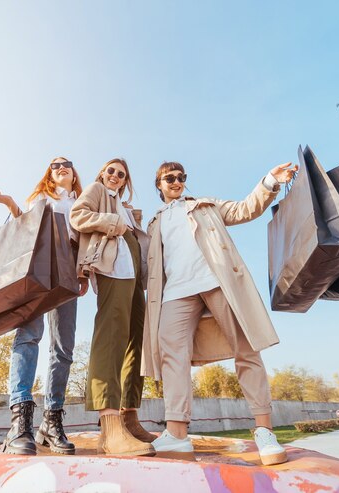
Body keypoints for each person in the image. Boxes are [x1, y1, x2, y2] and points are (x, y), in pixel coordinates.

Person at [141, 160, 297, 465]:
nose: (176, 182)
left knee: (246, 347)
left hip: (218, 281)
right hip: (174, 293)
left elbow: (245, 209)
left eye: (181, 177)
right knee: (171, 354)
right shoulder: (155, 222)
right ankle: (176, 433)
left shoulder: (206, 205)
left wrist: (269, 181)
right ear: (159, 185)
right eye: (169, 178)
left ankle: (264, 431)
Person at [0, 157, 88, 456]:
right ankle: (20, 422)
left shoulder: (81, 202)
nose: (61, 167)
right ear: (49, 174)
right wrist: (8, 203)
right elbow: (23, 228)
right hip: (39, 266)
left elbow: (84, 241)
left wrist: (84, 274)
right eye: (54, 165)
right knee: (29, 335)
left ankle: (52, 421)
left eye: (66, 163)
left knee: (63, 347)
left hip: (68, 270)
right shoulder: (40, 199)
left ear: (73, 173)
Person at [69, 158, 155, 457]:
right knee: (111, 336)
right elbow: (77, 215)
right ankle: (109, 427)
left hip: (133, 273)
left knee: (137, 340)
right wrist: (113, 223)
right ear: (102, 174)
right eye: (111, 171)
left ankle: (129, 417)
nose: (115, 176)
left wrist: (130, 220)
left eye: (121, 174)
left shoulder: (125, 206)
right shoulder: (96, 190)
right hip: (113, 268)